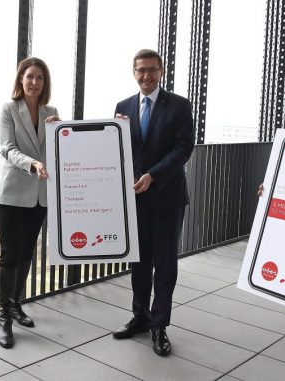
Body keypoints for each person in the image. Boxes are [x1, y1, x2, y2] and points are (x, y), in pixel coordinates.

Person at [112, 49, 194, 356]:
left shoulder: (179, 105)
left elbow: (184, 148)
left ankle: (160, 325)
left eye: (151, 70)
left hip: (167, 197)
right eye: (140, 70)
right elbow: (117, 148)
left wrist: (152, 175)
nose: (146, 75)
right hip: (134, 198)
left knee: (165, 264)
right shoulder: (123, 106)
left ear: (161, 71)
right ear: (133, 72)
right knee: (139, 262)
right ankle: (140, 317)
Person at [0, 57, 60, 349]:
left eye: (40, 78)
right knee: (10, 255)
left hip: (39, 195)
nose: (34, 82)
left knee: (27, 254)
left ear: (45, 83)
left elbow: (59, 147)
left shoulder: (51, 112)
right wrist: (32, 163)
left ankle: (16, 304)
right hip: (11, 194)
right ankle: (4, 316)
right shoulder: (8, 109)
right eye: (30, 76)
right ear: (21, 79)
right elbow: (7, 149)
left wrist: (61, 131)